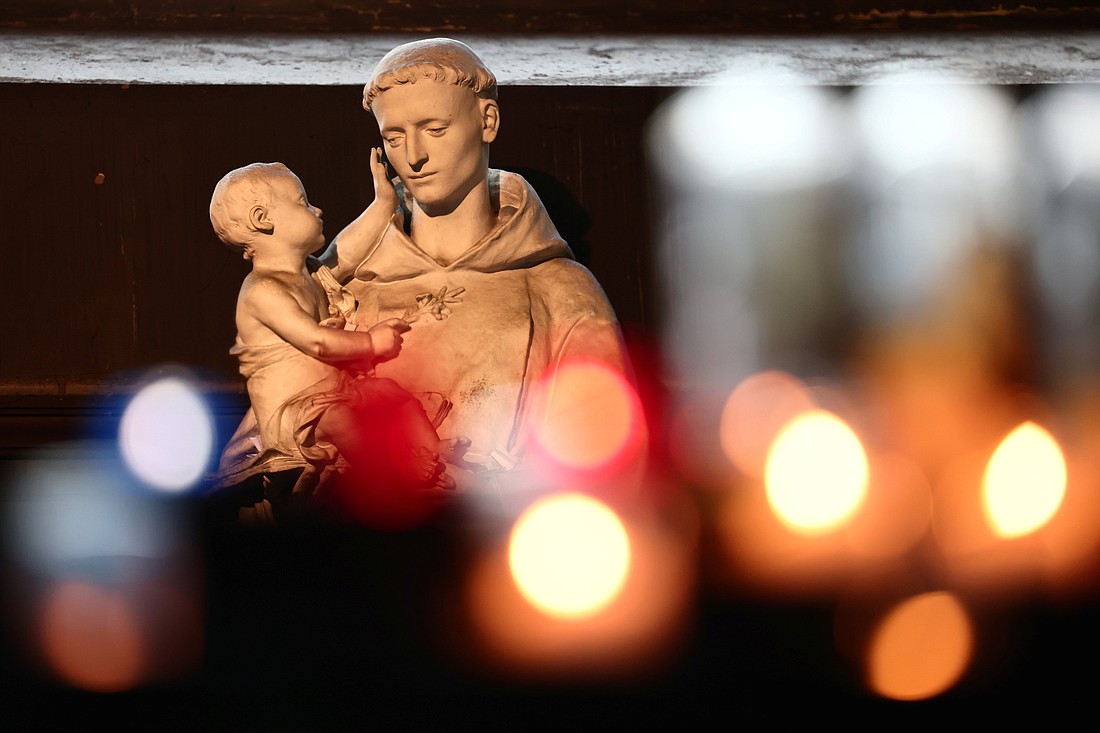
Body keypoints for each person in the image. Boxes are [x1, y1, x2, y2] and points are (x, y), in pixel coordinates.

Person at [341, 38, 634, 505]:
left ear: (487, 121)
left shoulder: (560, 292)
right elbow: (277, 441)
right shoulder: (351, 292)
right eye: (393, 138)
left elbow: (604, 463)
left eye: (434, 129)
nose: (413, 156)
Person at [209, 155, 463, 523]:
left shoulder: (313, 276)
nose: (317, 209)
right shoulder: (262, 291)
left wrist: (383, 201)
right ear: (263, 220)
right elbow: (317, 343)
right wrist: (373, 344)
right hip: (295, 414)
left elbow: (351, 247)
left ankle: (432, 449)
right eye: (302, 202)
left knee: (391, 393)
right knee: (344, 422)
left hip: (336, 392)